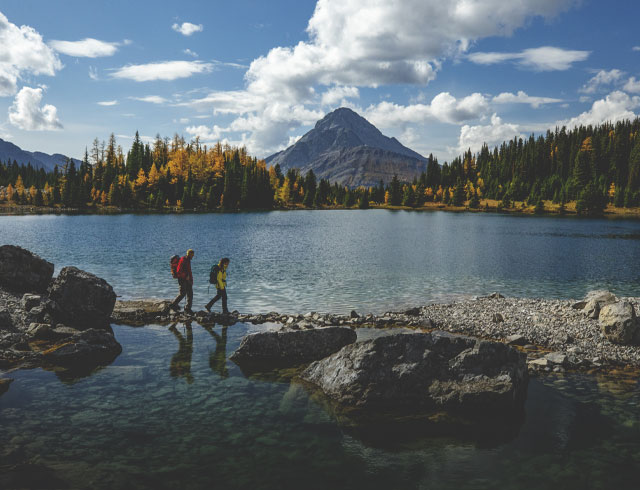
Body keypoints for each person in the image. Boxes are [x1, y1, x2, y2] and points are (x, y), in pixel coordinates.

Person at [170, 249, 194, 314]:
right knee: (183, 293)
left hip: (187, 279)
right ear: (188, 254)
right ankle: (173, 305)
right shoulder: (183, 260)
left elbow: (189, 271)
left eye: (193, 255)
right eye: (192, 254)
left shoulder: (188, 260)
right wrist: (186, 276)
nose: (193, 256)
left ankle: (188, 308)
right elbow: (178, 271)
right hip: (182, 279)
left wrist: (191, 280)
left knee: (190, 293)